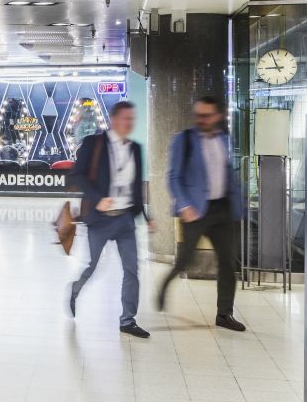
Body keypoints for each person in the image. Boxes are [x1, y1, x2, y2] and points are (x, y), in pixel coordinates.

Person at [157, 95, 246, 331]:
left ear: (217, 116)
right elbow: (173, 177)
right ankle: (164, 285)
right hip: (195, 210)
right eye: (198, 115)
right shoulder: (184, 140)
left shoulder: (224, 139)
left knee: (227, 263)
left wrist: (238, 206)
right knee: (186, 260)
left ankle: (224, 314)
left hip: (223, 210)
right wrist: (185, 205)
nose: (201, 120)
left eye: (206, 116)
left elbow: (228, 175)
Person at [67, 100, 154, 337]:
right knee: (93, 266)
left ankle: (128, 320)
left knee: (132, 270)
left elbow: (136, 189)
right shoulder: (94, 143)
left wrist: (147, 217)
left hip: (125, 220)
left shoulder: (135, 148)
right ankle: (75, 290)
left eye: (132, 119)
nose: (130, 123)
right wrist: (98, 199)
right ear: (114, 120)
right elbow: (77, 175)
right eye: (126, 118)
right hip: (100, 219)